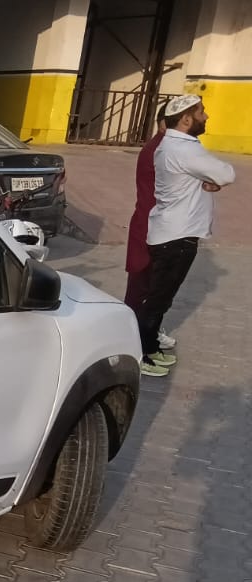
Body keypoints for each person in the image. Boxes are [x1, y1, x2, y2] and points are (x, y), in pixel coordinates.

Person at [138, 94, 236, 377]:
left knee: (160, 298)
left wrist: (208, 180)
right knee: (157, 300)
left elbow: (208, 176)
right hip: (177, 238)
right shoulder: (185, 150)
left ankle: (151, 346)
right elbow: (227, 173)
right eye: (202, 112)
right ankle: (141, 353)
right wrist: (214, 179)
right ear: (186, 119)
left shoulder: (171, 145)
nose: (206, 116)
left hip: (171, 233)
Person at [124, 105, 168, 346]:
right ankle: (134, 335)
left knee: (149, 283)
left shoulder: (162, 147)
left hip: (154, 222)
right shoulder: (159, 148)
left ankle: (143, 330)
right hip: (150, 224)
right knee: (141, 283)